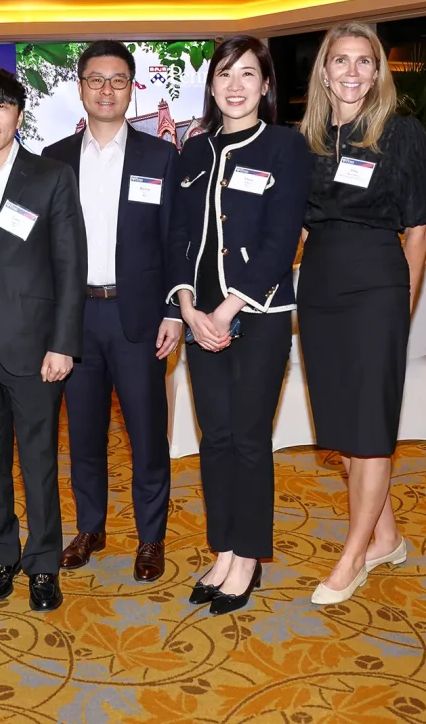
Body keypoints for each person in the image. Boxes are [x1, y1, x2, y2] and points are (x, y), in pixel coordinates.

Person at [166, 35, 312, 615]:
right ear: (212, 85)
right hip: (199, 317)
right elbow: (179, 237)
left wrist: (227, 308)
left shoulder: (285, 147)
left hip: (260, 316)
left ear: (265, 84)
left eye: (247, 74)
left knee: (250, 439)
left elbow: (283, 239)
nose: (235, 85)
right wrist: (186, 305)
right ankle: (223, 547)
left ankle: (248, 557)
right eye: (225, 74)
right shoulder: (193, 151)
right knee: (215, 438)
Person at [296, 23, 426, 605]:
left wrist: (400, 304)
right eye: (341, 61)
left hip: (379, 285)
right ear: (324, 72)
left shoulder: (402, 134)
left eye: (363, 62)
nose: (352, 72)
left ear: (377, 72)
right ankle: (387, 536)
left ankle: (353, 556)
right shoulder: (304, 142)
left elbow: (419, 228)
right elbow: (297, 222)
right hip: (321, 288)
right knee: (343, 429)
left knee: (371, 427)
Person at [43, 41, 183, 583]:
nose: (106, 89)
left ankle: (151, 538)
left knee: (148, 435)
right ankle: (90, 527)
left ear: (132, 89)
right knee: (83, 435)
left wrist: (174, 309)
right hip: (75, 320)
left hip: (140, 319)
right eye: (96, 79)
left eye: (117, 80)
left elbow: (177, 241)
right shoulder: (53, 160)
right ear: (79, 88)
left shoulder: (160, 158)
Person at [0, 66, 86, 611]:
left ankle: (44, 563)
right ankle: (1, 558)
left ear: (18, 115)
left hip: (36, 347)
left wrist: (63, 343)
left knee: (38, 462)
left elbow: (69, 265)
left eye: (1, 106)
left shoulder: (49, 176)